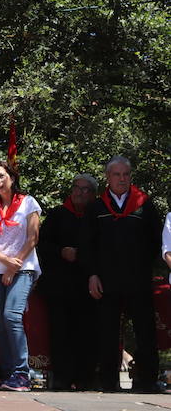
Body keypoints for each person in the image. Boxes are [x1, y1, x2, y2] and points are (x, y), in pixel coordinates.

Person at [80, 156, 161, 393]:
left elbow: (155, 242)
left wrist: (144, 267)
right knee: (107, 331)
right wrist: (92, 274)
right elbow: (87, 244)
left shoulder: (144, 204)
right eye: (117, 174)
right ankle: (108, 381)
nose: (122, 179)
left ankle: (147, 381)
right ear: (108, 177)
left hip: (138, 279)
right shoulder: (97, 207)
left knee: (145, 331)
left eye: (126, 174)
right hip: (106, 281)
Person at [0, 161, 41, 392]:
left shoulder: (28, 202)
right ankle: (8, 374)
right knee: (1, 324)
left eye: (1, 176)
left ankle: (22, 373)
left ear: (12, 178)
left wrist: (14, 267)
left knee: (12, 316)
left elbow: (33, 238)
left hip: (24, 267)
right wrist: (6, 263)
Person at [37, 173, 98, 390]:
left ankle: (85, 378)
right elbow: (42, 245)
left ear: (93, 194)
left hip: (88, 285)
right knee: (60, 333)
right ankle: (61, 378)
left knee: (86, 333)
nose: (80, 193)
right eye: (77, 188)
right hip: (60, 285)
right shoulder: (57, 214)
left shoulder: (98, 216)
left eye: (86, 190)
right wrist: (61, 251)